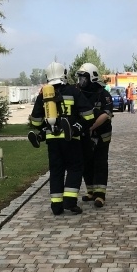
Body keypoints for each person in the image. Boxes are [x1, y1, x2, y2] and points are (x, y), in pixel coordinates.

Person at [28, 62, 95, 215]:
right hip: (71, 138)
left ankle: (56, 205)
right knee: (75, 168)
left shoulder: (44, 95)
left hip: (52, 138)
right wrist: (78, 126)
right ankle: (70, 201)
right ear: (64, 74)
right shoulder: (73, 91)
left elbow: (35, 121)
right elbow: (89, 115)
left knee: (56, 170)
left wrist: (45, 127)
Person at [76, 63, 113, 208]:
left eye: (83, 78)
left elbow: (106, 114)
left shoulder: (103, 94)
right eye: (80, 78)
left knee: (100, 162)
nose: (81, 81)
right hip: (85, 134)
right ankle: (91, 191)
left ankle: (100, 195)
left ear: (92, 77)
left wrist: (92, 127)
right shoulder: (79, 93)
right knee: (87, 162)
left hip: (102, 134)